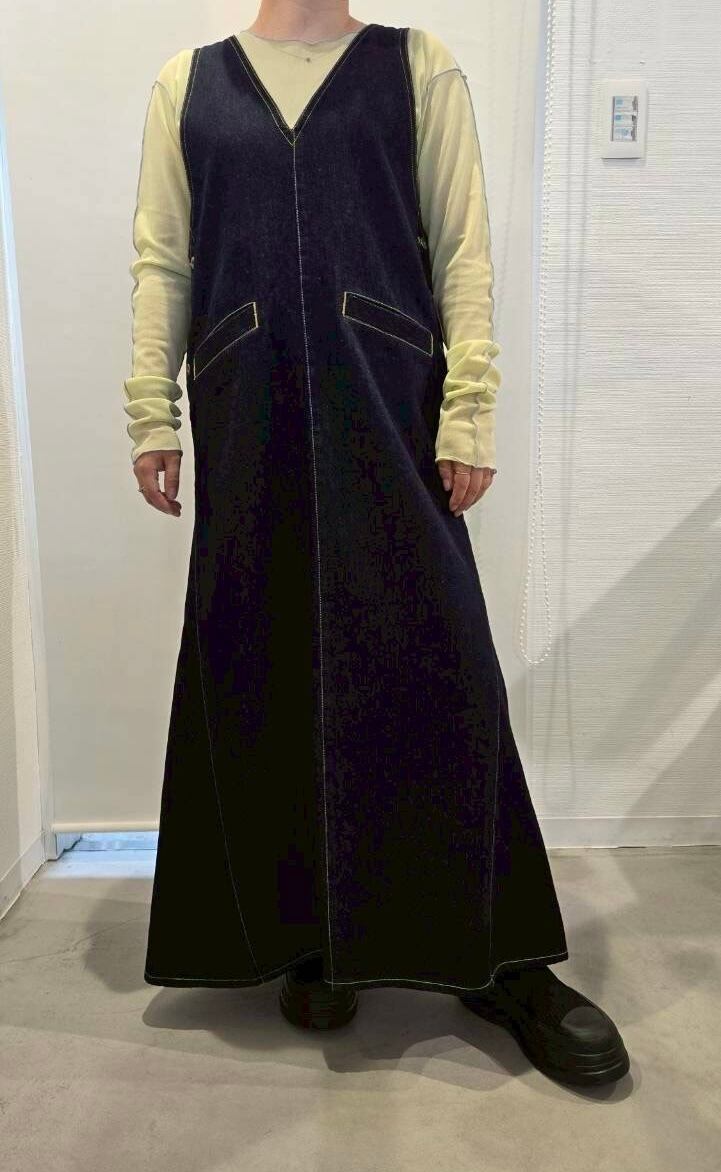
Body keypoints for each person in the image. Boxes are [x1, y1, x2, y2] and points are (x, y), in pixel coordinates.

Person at [123, 1, 630, 1089]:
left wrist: (469, 409)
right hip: (245, 401)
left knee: (440, 661)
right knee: (261, 657)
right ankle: (310, 936)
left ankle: (500, 955)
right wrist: (150, 411)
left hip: (388, 395)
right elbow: (163, 260)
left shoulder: (415, 67)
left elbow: (463, 247)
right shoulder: (188, 85)